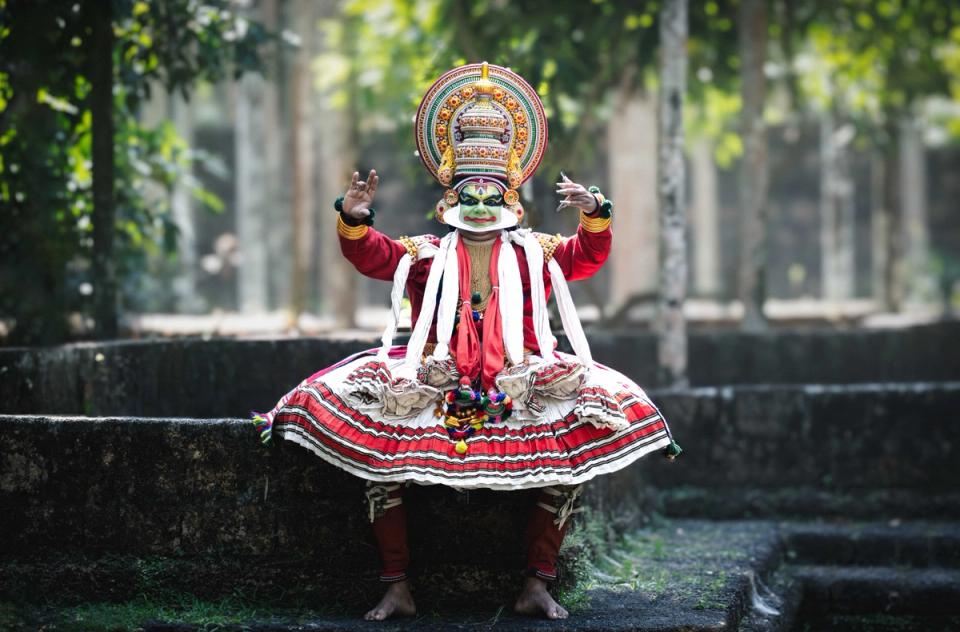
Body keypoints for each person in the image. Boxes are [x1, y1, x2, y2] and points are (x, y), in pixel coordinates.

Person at [252, 62, 681, 621]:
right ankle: (397, 585)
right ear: (450, 199)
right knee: (380, 467)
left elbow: (586, 257)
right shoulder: (426, 253)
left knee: (565, 468)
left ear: (510, 200)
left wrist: (596, 215)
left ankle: (536, 583)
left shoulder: (537, 252)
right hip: (434, 375)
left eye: (490, 197)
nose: (480, 207)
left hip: (522, 377)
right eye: (470, 197)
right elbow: (375, 256)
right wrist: (354, 221)